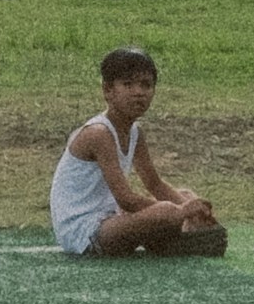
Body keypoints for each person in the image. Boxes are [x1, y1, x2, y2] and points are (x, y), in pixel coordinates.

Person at [50, 47, 226, 259]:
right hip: (85, 231)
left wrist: (191, 209)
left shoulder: (134, 133)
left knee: (184, 195)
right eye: (128, 84)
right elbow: (126, 200)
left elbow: (154, 183)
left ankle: (168, 236)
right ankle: (174, 231)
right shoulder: (98, 134)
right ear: (108, 91)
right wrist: (180, 212)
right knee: (168, 211)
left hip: (111, 219)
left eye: (146, 85)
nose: (138, 92)